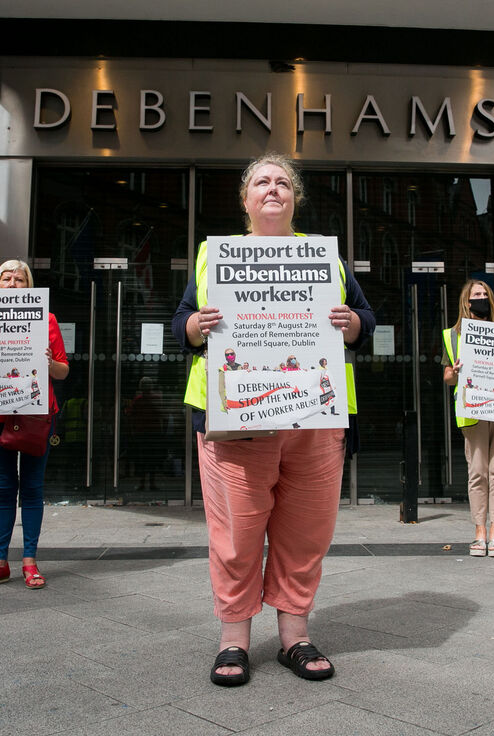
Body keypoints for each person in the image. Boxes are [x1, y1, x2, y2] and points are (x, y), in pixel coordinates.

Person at [172, 152, 374, 687]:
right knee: (236, 535)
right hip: (236, 419)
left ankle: (295, 638)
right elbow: (180, 325)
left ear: (295, 198)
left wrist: (352, 322)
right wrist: (196, 323)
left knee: (305, 533)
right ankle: (234, 640)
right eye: (261, 181)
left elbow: (365, 319)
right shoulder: (215, 256)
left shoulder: (323, 258)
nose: (272, 189)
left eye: (283, 182)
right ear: (245, 199)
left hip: (315, 418)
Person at [0, 260, 69, 591]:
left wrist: (51, 363)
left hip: (36, 415)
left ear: (29, 286)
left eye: (19, 278)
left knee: (33, 488)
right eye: (5, 278)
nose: (12, 283)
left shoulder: (46, 319)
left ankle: (30, 561)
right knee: (5, 488)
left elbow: (64, 370)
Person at [443, 280, 494, 558]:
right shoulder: (453, 335)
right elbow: (447, 378)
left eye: (485, 294)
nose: (481, 298)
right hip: (472, 411)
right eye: (476, 295)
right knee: (477, 473)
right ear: (466, 301)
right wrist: (457, 370)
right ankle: (479, 532)